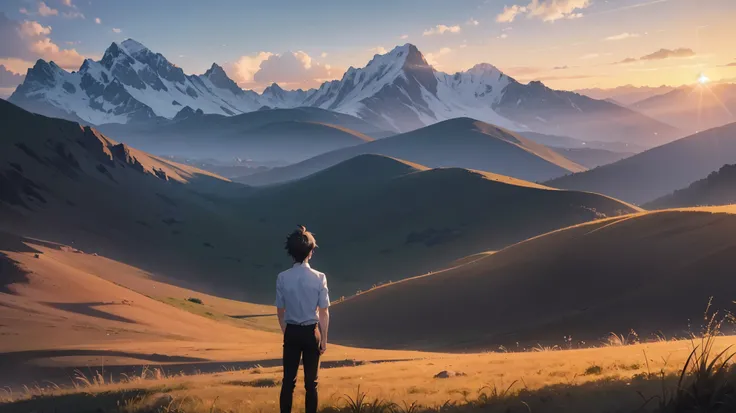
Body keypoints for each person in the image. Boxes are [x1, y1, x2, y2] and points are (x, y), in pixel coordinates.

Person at [276, 225, 330, 413]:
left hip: (291, 331)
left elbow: (280, 310)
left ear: (290, 252)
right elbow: (323, 311)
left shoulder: (282, 277)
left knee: (288, 382)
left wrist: (286, 331)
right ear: (311, 251)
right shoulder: (319, 277)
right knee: (311, 384)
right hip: (311, 332)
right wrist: (323, 339)